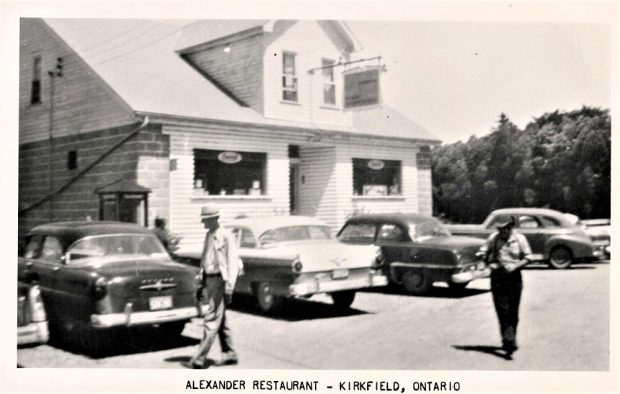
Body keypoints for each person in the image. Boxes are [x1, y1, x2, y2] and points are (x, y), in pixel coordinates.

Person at [183, 205, 243, 369]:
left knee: (211, 319)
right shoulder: (209, 235)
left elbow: (232, 262)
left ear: (214, 219)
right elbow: (205, 260)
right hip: (210, 280)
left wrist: (230, 285)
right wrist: (201, 283)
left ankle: (199, 359)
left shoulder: (225, 235)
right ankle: (229, 353)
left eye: (206, 220)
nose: (203, 223)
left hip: (219, 281)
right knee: (220, 318)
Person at [480, 216, 532, 359]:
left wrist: (515, 265)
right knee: (502, 310)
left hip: (514, 277)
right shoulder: (493, 238)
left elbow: (528, 257)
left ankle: (509, 338)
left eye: (505, 229)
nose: (502, 232)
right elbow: (484, 252)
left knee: (513, 311)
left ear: (511, 227)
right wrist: (487, 261)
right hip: (498, 277)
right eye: (500, 229)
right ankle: (509, 341)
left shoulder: (520, 239)